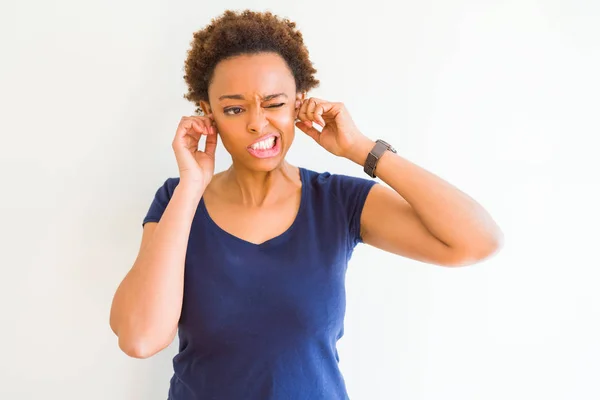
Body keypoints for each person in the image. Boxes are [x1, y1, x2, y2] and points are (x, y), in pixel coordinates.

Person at [109, 9, 503, 400]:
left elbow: (477, 241)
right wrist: (192, 185)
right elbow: (140, 338)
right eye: (234, 108)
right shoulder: (177, 200)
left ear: (298, 102)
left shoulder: (337, 202)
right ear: (207, 113)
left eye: (274, 103)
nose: (257, 123)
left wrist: (363, 149)